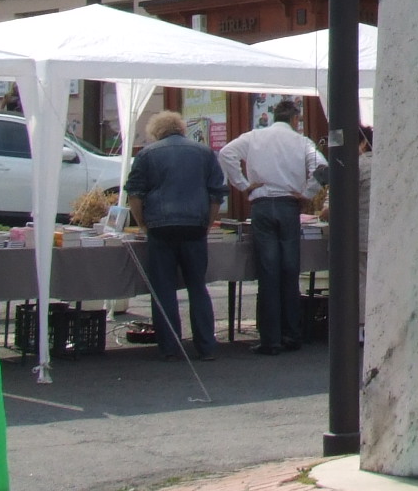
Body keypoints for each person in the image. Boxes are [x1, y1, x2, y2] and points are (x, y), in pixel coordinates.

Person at [218, 96, 326, 355]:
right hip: (289, 205)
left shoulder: (254, 137)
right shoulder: (302, 141)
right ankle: (292, 333)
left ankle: (271, 339)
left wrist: (243, 185)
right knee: (290, 270)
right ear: (295, 119)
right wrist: (308, 193)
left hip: (263, 204)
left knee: (268, 272)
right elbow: (322, 166)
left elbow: (225, 153)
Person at [126, 110, 221, 361]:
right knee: (197, 287)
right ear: (181, 128)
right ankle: (206, 346)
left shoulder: (147, 154)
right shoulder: (205, 152)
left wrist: (143, 223)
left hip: (160, 227)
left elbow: (134, 194)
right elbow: (216, 195)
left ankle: (170, 347)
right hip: (194, 227)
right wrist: (207, 223)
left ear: (156, 131)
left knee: (164, 289)